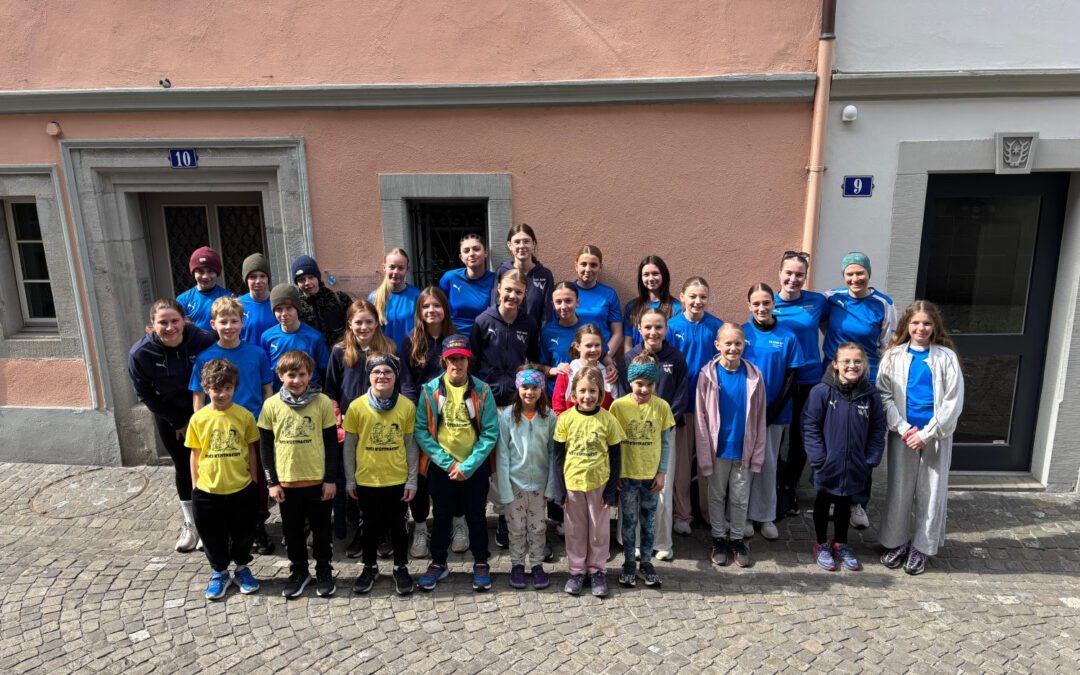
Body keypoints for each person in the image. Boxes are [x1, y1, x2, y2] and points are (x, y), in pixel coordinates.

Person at [876, 301, 964, 576]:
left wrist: (928, 433)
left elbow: (953, 400)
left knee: (931, 490)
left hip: (935, 435)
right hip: (904, 434)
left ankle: (922, 547)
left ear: (935, 326)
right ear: (906, 326)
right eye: (915, 323)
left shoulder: (946, 357)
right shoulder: (893, 356)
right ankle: (896, 541)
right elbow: (884, 393)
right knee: (900, 489)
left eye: (926, 323)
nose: (921, 328)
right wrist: (902, 428)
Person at [128, 298, 216, 553]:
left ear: (183, 320)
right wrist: (177, 421)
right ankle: (191, 524)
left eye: (174, 321)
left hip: (204, 410)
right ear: (152, 325)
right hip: (170, 416)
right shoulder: (141, 353)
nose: (170, 327)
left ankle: (210, 521)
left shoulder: (202, 340)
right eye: (162, 322)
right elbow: (144, 393)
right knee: (183, 466)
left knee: (210, 463)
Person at [188, 297, 275, 555]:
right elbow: (198, 395)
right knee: (222, 476)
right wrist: (201, 427)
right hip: (218, 428)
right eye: (223, 321)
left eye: (234, 321)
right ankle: (222, 529)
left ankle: (257, 524)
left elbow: (267, 389)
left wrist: (269, 423)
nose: (229, 326)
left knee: (254, 477)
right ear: (213, 324)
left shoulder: (256, 353)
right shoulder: (205, 357)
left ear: (242, 322)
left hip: (253, 426)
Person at [414, 335, 499, 592]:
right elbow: (422, 431)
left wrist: (468, 465)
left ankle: (481, 561)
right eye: (452, 359)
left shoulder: (482, 390)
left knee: (476, 515)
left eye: (461, 358)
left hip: (474, 465)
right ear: (444, 361)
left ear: (468, 360)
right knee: (441, 515)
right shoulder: (430, 390)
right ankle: (439, 562)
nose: (457, 364)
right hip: (443, 467)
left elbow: (490, 432)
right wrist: (447, 463)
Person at [822, 252, 897, 530]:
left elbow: (888, 343)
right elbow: (823, 326)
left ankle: (858, 502)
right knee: (832, 435)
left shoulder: (883, 304)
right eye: (850, 274)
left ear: (869, 273)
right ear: (843, 276)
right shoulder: (832, 298)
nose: (855, 278)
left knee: (861, 439)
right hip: (832, 375)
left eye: (860, 273)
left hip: (867, 376)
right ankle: (830, 494)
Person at [258, 350, 340, 599]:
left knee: (322, 531)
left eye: (302, 374)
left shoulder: (322, 402)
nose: (297, 380)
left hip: (317, 481)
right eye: (291, 375)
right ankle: (299, 571)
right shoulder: (271, 405)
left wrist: (330, 479)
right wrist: (272, 483)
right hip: (287, 482)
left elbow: (331, 444)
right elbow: (265, 447)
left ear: (310, 375)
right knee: (292, 533)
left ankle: (324, 570)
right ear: (281, 376)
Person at [801, 343, 886, 572]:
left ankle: (841, 543)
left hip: (856, 464)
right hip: (827, 463)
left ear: (865, 365)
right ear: (836, 365)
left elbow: (878, 429)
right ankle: (821, 544)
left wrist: (870, 459)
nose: (852, 365)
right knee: (823, 501)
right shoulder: (821, 391)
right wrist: (819, 459)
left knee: (844, 504)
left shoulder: (871, 395)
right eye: (846, 361)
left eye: (858, 361)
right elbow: (810, 426)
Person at [324, 299, 398, 552]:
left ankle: (386, 531)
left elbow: (396, 387)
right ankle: (362, 531)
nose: (364, 327)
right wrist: (336, 418)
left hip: (381, 424)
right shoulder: (339, 351)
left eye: (369, 322)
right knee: (354, 481)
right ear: (350, 324)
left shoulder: (388, 349)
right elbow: (331, 390)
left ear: (377, 323)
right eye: (358, 322)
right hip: (351, 428)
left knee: (382, 479)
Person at [184, 359, 261, 600]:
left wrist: (254, 482)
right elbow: (195, 454)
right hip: (208, 490)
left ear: (234, 388)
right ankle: (219, 572)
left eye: (228, 388)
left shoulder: (244, 415)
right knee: (212, 534)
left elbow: (250, 450)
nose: (222, 393)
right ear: (206, 389)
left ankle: (241, 568)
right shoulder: (199, 419)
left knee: (243, 532)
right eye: (216, 389)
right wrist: (196, 487)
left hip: (241, 486)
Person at [343, 353, 419, 595]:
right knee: (369, 527)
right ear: (369, 376)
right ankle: (369, 566)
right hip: (367, 479)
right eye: (377, 372)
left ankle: (400, 567)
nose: (382, 376)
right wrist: (349, 479)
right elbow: (349, 445)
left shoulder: (406, 406)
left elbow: (411, 444)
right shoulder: (356, 407)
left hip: (397, 478)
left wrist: (412, 479)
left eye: (388, 372)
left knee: (398, 526)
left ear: (396, 376)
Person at [695, 323, 766, 570]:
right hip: (718, 449)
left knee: (739, 497)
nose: (733, 348)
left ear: (744, 344)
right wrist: (704, 451)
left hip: (743, 448)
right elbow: (701, 418)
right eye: (728, 343)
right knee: (716, 495)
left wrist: (757, 450)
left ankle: (737, 539)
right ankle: (718, 538)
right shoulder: (707, 375)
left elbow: (759, 416)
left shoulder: (754, 375)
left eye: (738, 343)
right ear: (718, 345)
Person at [619, 307, 688, 562]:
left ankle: (661, 541)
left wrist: (665, 421)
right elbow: (625, 394)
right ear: (639, 329)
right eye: (647, 327)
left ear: (666, 329)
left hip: (663, 432)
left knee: (661, 487)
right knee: (632, 488)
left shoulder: (676, 358)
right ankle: (632, 541)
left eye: (658, 327)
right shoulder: (630, 357)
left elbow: (681, 394)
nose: (653, 332)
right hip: (634, 436)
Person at [742, 283, 809, 541]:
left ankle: (766, 515)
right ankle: (745, 515)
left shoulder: (787, 336)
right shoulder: (742, 333)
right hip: (746, 414)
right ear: (749, 305)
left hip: (775, 413)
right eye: (756, 303)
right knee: (746, 465)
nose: (761, 307)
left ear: (774, 304)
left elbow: (792, 377)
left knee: (768, 465)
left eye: (766, 302)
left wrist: (773, 410)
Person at [553, 366, 625, 597]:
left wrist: (611, 490)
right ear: (573, 393)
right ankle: (576, 571)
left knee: (599, 531)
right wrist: (559, 488)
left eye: (592, 391)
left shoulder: (608, 420)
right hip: (573, 483)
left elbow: (615, 457)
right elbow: (557, 455)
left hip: (599, 483)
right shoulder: (565, 419)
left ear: (600, 393)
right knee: (575, 531)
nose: (587, 396)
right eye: (582, 391)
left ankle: (597, 571)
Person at [398, 286, 459, 558]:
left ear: (445, 309)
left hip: (453, 419)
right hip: (421, 418)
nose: (431, 311)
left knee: (452, 472)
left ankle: (459, 521)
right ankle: (421, 526)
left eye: (436, 305)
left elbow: (464, 377)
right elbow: (406, 382)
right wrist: (417, 412)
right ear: (419, 312)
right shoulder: (410, 341)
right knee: (420, 476)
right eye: (426, 306)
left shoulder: (457, 339)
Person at [610, 354, 675, 588]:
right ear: (630, 383)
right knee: (628, 521)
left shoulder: (662, 407)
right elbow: (613, 443)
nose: (644, 389)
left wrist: (662, 472)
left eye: (649, 384)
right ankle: (629, 562)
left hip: (650, 476)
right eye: (639, 383)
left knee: (648, 521)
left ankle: (646, 562)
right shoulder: (618, 407)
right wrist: (615, 472)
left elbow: (666, 442)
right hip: (627, 475)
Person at [772, 251, 829, 519]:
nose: (793, 279)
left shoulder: (817, 302)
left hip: (809, 380)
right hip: (778, 382)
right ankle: (773, 485)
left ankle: (790, 487)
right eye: (789, 273)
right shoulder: (767, 302)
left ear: (805, 277)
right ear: (780, 273)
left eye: (799, 274)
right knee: (776, 437)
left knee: (800, 438)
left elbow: (832, 333)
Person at [666, 276, 724, 531]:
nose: (698, 301)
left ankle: (710, 513)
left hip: (709, 407)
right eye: (693, 296)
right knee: (680, 466)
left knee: (706, 464)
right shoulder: (670, 326)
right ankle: (682, 515)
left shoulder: (716, 327)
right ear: (682, 297)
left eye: (703, 296)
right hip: (682, 405)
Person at [495, 366, 557, 590]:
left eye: (534, 387)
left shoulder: (549, 416)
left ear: (541, 389)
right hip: (515, 483)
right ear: (518, 387)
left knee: (538, 527)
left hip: (539, 484)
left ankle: (537, 564)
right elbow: (502, 453)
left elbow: (552, 452)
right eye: (525, 387)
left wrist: (551, 486)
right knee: (516, 528)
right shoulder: (508, 416)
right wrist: (504, 488)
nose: (529, 392)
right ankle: (517, 564)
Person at [470, 269, 542, 407]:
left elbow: (533, 361)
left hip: (517, 398)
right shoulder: (483, 321)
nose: (512, 295)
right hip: (486, 397)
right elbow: (473, 361)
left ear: (525, 293)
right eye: (508, 290)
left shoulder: (529, 324)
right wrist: (478, 388)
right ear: (498, 288)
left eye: (518, 292)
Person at [260, 283, 331, 390]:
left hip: (310, 396)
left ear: (297, 308)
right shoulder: (267, 337)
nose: (284, 313)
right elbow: (266, 370)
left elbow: (325, 371)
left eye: (289, 308)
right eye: (279, 309)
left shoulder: (314, 337)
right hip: (280, 397)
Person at [490, 223, 555, 328]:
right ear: (509, 245)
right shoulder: (502, 272)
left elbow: (547, 313)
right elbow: (495, 305)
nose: (521, 246)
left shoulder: (545, 275)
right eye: (516, 242)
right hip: (507, 335)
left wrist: (542, 338)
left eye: (526, 241)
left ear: (533, 244)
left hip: (535, 338)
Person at [572, 245, 623, 362]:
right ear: (576, 266)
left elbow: (618, 333)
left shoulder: (609, 294)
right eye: (583, 264)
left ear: (600, 267)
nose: (588, 269)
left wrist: (605, 357)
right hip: (573, 358)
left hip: (601, 358)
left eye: (593, 265)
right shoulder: (567, 292)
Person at [552, 324, 616, 415]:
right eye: (588, 346)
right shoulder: (567, 372)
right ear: (578, 346)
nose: (593, 349)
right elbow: (558, 408)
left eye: (597, 345)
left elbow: (614, 408)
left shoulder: (608, 374)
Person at [292, 254, 352, 350]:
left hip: (340, 358)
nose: (307, 283)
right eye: (301, 279)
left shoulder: (339, 299)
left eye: (311, 277)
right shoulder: (294, 306)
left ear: (318, 277)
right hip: (310, 361)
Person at [623, 255, 682, 352]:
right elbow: (627, 343)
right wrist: (630, 364)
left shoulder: (676, 308)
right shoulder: (632, 307)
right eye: (646, 274)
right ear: (641, 278)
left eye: (655, 273)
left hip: (666, 363)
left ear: (664, 275)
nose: (651, 278)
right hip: (638, 364)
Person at [369, 248, 422, 354]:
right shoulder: (374, 298)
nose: (396, 272)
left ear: (407, 269)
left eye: (401, 268)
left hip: (410, 357)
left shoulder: (417, 296)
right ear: (384, 268)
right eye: (392, 267)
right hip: (384, 359)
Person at [440, 234, 496, 332]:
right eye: (466, 251)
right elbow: (439, 308)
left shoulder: (495, 280)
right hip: (454, 337)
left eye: (476, 249)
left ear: (486, 252)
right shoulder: (450, 278)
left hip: (484, 336)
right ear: (461, 257)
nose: (471, 254)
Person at [540, 281, 585, 396]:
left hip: (585, 394)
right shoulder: (547, 332)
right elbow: (541, 365)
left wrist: (610, 366)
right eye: (558, 302)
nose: (563, 306)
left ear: (578, 302)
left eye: (568, 301)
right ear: (553, 305)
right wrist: (552, 370)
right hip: (557, 395)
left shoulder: (589, 328)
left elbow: (602, 357)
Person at [176, 246, 232, 331]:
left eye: (210, 271)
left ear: (217, 272)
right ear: (193, 273)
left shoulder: (229, 298)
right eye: (200, 271)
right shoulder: (183, 300)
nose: (205, 276)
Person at [238, 253, 277, 345]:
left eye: (262, 276)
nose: (258, 281)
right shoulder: (238, 305)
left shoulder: (278, 302)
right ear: (246, 280)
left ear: (268, 278)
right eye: (253, 277)